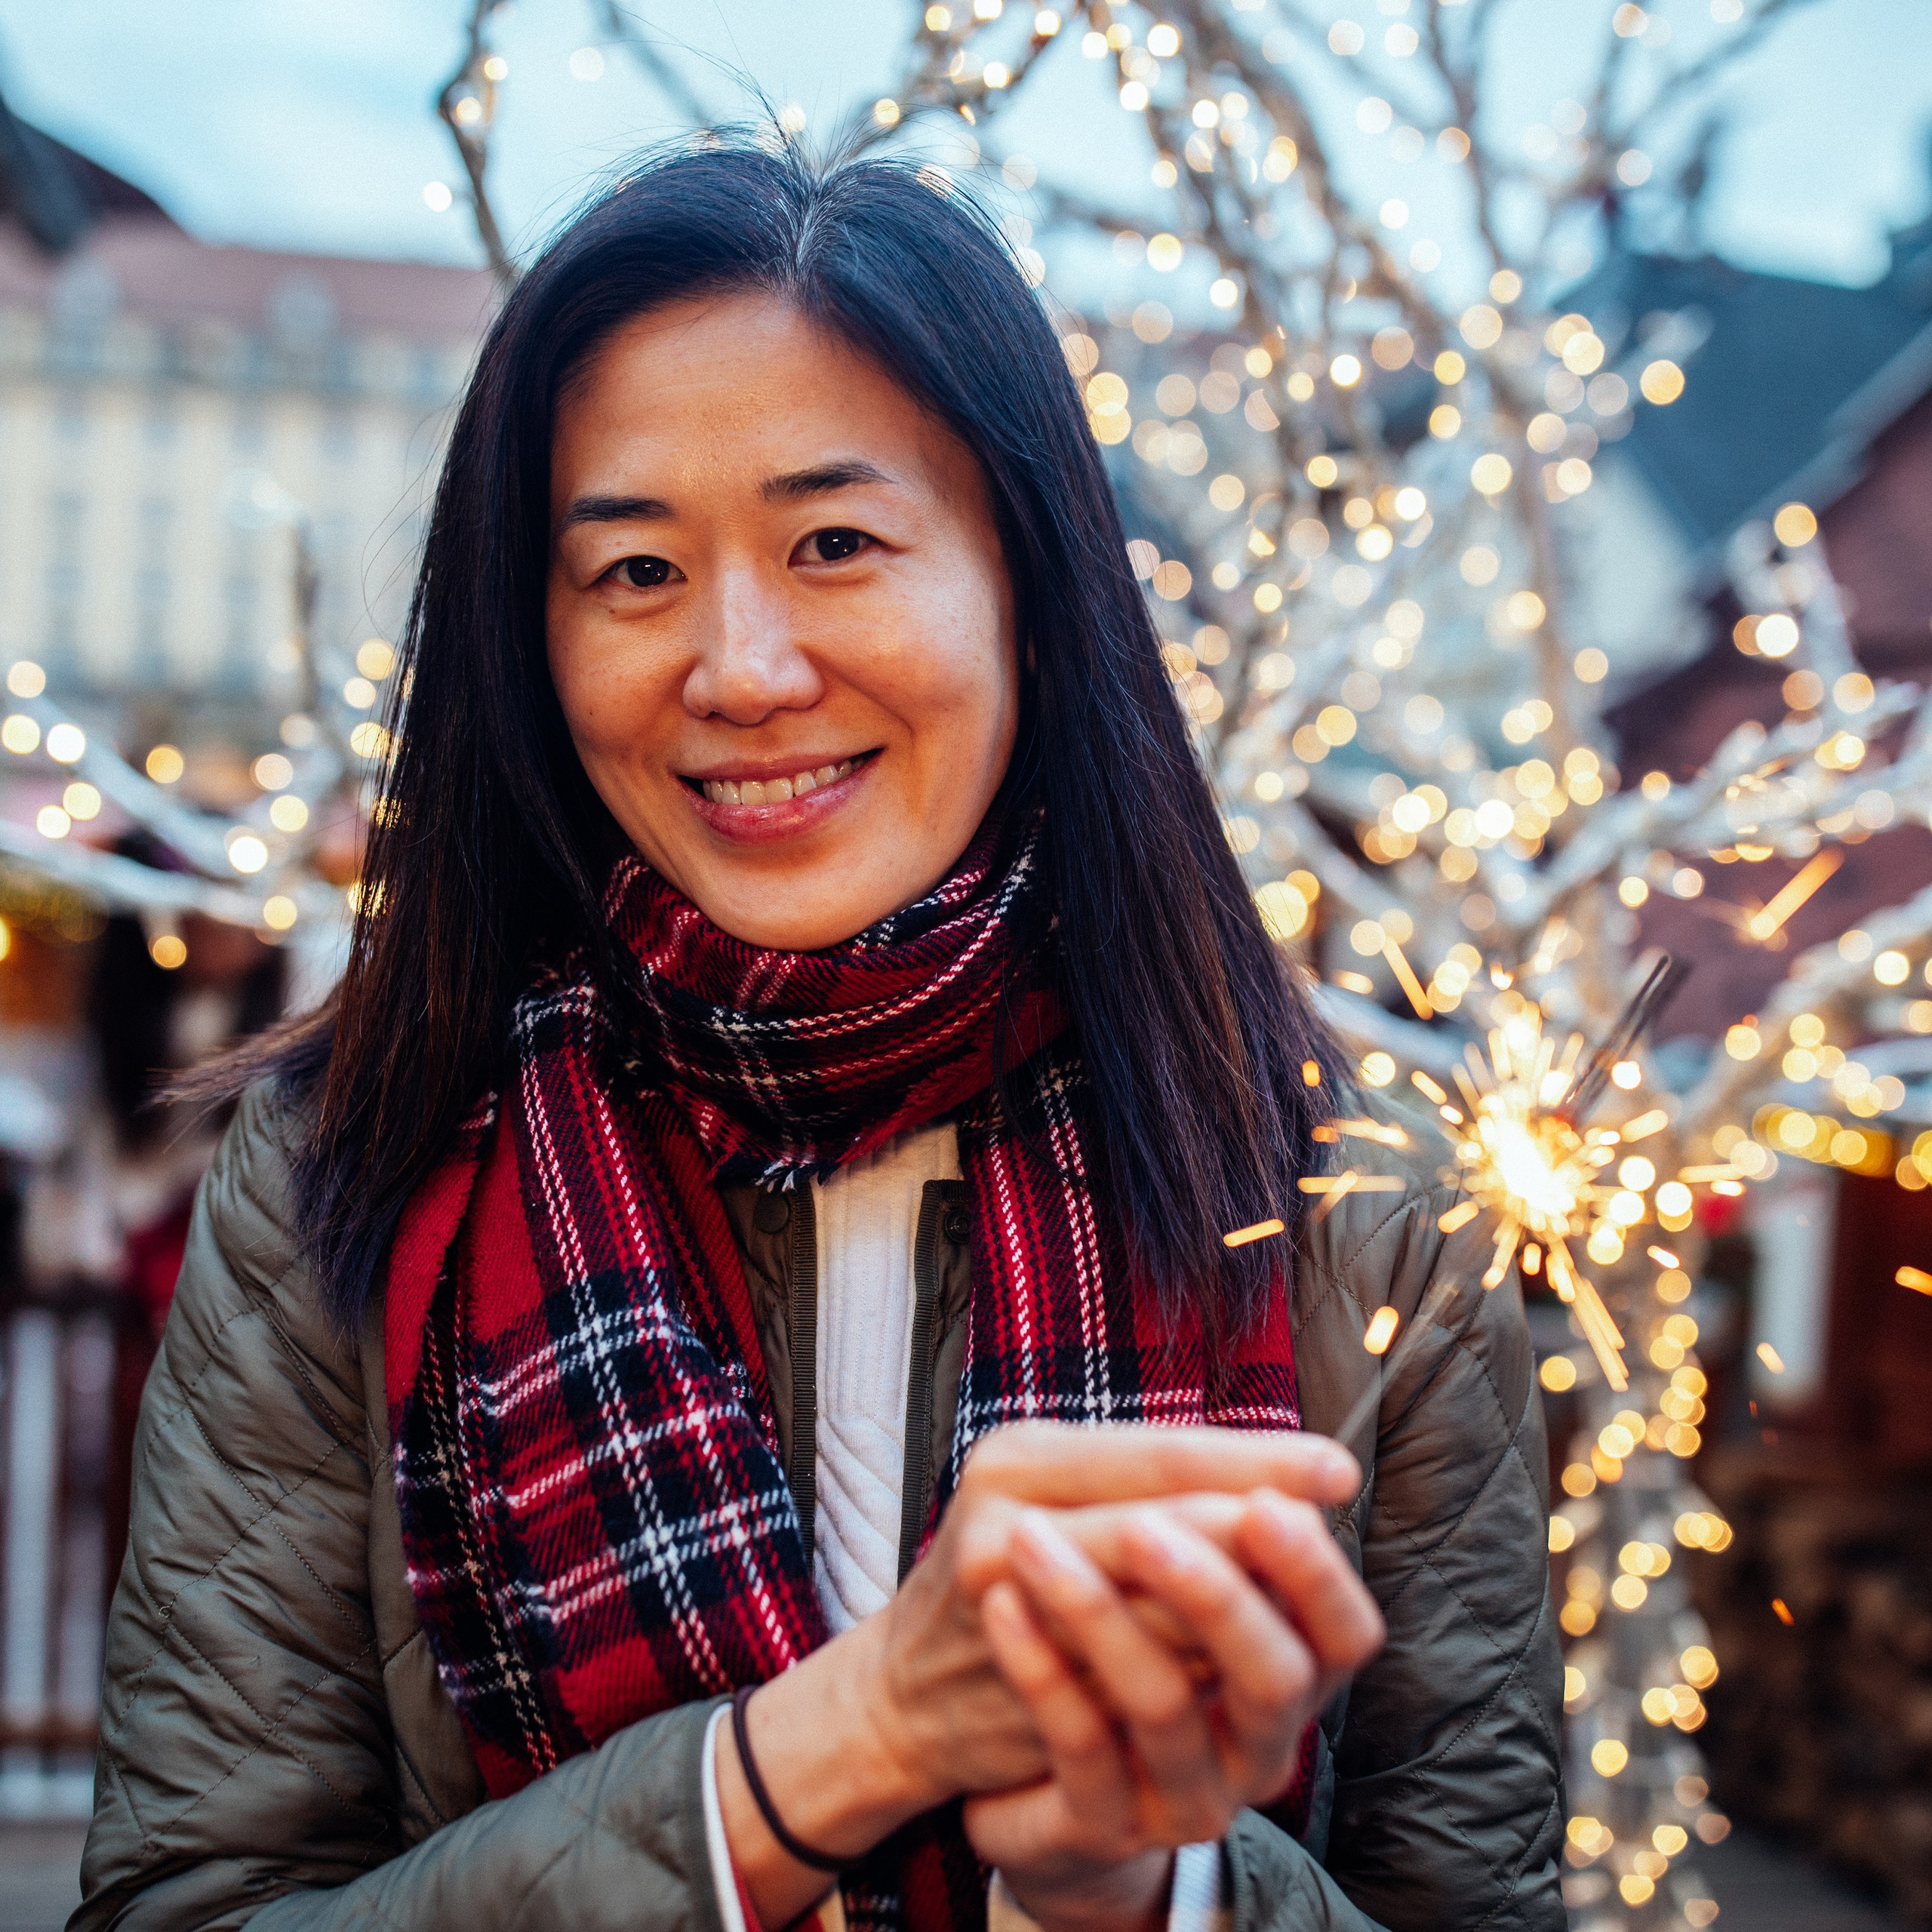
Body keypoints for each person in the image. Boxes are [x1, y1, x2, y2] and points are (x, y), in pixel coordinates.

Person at [73, 142, 1563, 1932]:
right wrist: (816, 1760)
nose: (742, 666)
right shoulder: (350, 1166)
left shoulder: (1357, 1209)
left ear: (1030, 589)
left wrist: (1141, 1881)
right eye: (633, 569)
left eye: (835, 543)